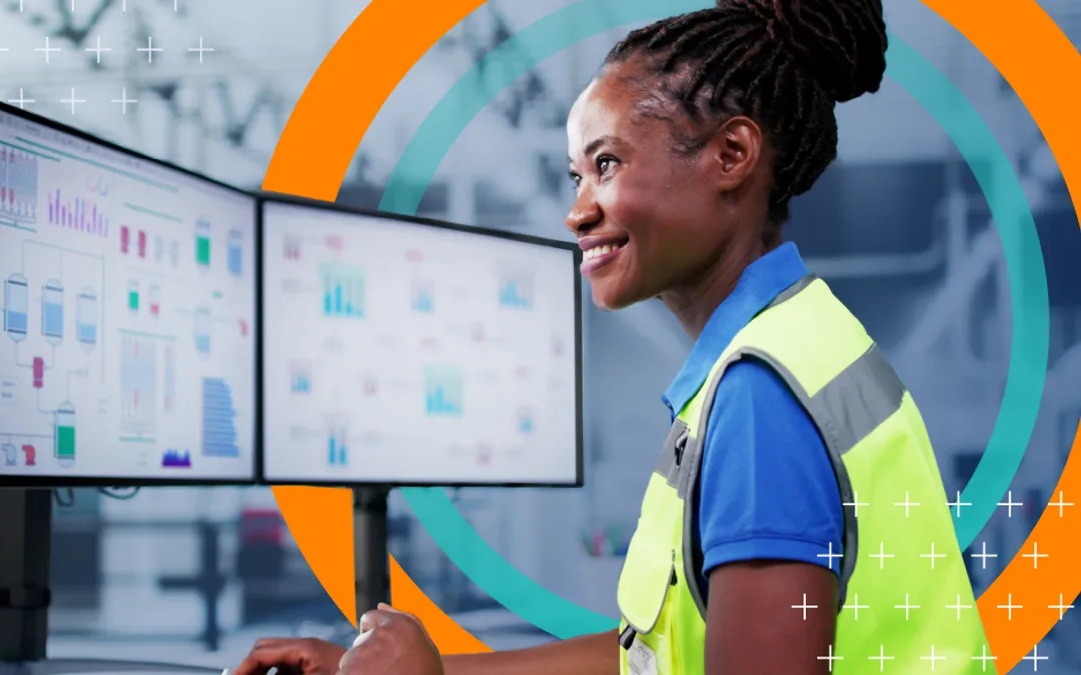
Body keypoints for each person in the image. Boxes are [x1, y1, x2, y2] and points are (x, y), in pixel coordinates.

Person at [233, 0, 991, 673]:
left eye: (607, 163)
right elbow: (652, 651)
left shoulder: (764, 401)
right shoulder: (783, 346)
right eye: (575, 176)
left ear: (732, 156)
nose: (578, 209)